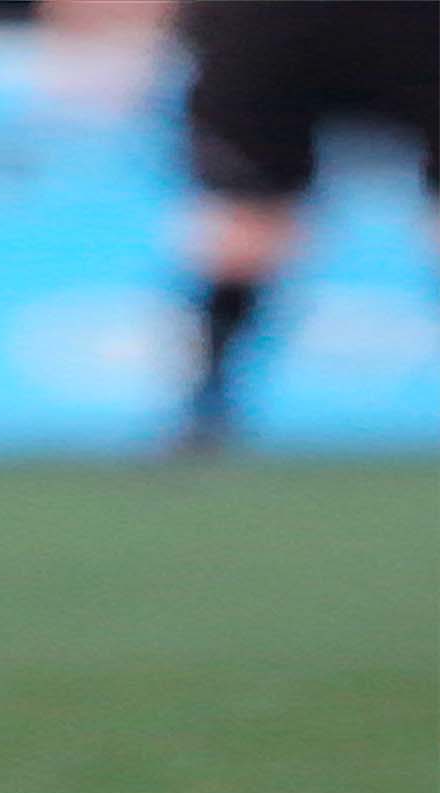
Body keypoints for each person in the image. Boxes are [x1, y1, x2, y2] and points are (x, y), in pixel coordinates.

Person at [169, 0, 439, 454]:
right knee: (248, 221)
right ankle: (206, 407)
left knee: (249, 219)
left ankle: (205, 412)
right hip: (276, 28)